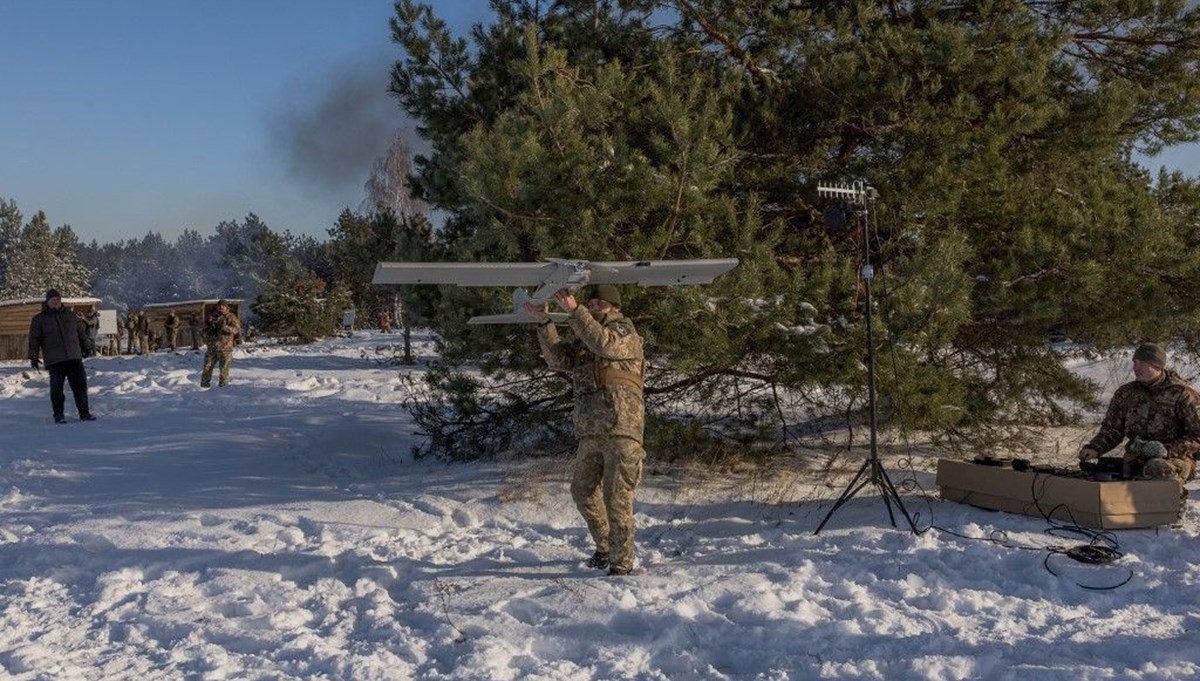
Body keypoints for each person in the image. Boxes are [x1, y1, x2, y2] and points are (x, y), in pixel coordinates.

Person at [525, 284, 646, 576]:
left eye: (599, 304)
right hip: (591, 432)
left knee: (616, 498)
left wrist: (574, 310)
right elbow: (558, 360)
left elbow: (603, 343)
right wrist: (544, 322)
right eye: (590, 304)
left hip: (621, 430)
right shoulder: (586, 340)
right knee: (582, 491)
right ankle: (605, 547)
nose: (592, 308)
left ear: (615, 308)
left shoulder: (625, 334)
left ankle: (621, 564)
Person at [1077, 343, 1200, 485]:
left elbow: (1197, 435)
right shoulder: (1126, 393)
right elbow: (1112, 430)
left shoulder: (1182, 394)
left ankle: (1169, 505)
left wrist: (1167, 450)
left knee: (1157, 469)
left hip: (1175, 459)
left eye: (1142, 363)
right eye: (1135, 362)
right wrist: (1094, 448)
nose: (1136, 367)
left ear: (1157, 365)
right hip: (1135, 460)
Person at [28, 289, 97, 424]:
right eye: (53, 300)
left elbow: (81, 333)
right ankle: (58, 415)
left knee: (80, 387)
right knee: (57, 389)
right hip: (55, 360)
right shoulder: (39, 319)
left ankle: (84, 413)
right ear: (47, 302)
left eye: (58, 299)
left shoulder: (71, 316)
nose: (56, 301)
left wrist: (87, 346)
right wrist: (33, 357)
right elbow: (34, 340)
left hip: (74, 357)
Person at [200, 299, 241, 387]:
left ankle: (223, 390)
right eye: (219, 306)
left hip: (225, 349)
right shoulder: (212, 317)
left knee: (224, 371)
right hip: (212, 348)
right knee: (207, 369)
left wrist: (225, 327)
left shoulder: (231, 317)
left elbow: (236, 330)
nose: (221, 307)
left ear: (226, 307)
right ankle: (203, 389)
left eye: (223, 306)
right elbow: (203, 329)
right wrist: (206, 332)